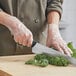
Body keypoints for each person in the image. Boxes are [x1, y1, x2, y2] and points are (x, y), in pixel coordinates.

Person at [0, 0, 72, 56]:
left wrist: (53, 29)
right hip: (3, 45)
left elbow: (55, 2)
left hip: (39, 44)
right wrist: (12, 23)